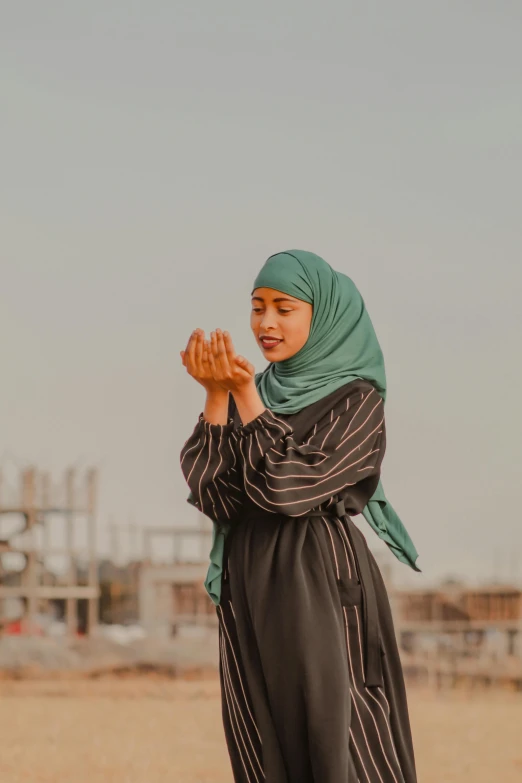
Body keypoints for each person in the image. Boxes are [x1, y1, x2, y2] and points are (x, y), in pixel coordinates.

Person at [180, 250, 418, 783]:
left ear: (322, 315)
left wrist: (244, 394)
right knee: (260, 727)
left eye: (284, 308)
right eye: (258, 306)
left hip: (318, 575)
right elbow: (216, 496)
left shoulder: (356, 399)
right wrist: (217, 397)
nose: (266, 323)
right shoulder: (257, 390)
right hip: (250, 577)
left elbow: (287, 488)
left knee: (340, 728)